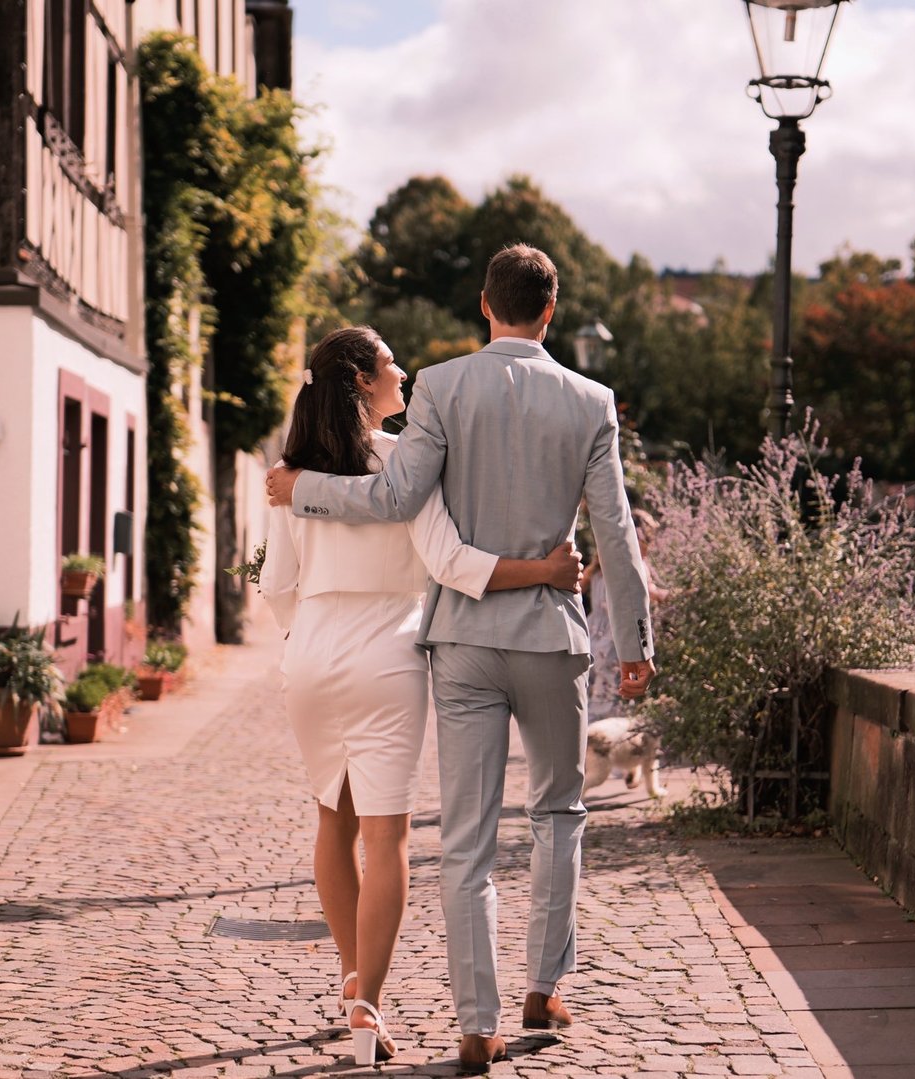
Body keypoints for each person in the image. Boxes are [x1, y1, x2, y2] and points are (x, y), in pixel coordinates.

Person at [269, 244, 656, 1075]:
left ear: (486, 305)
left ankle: (474, 1023)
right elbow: (616, 533)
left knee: (467, 839)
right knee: (558, 814)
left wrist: (300, 488)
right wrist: (639, 647)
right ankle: (544, 987)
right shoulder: (591, 400)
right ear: (549, 312)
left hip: (464, 646)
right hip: (551, 636)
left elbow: (394, 498)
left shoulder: (441, 386)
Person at [583, 509, 667, 722]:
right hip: (617, 643)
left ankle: (586, 744)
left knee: (590, 698)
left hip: (591, 640)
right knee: (614, 698)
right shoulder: (635, 566)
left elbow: (577, 586)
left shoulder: (599, 566)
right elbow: (652, 592)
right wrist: (678, 595)